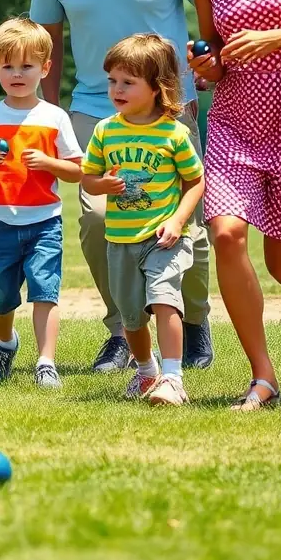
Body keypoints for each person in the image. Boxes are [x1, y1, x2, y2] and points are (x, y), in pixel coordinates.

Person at [30, 0, 213, 373]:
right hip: (92, 107)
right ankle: (123, 329)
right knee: (98, 218)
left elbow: (207, 20)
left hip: (170, 108)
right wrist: (46, 110)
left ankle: (193, 323)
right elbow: (48, 38)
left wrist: (204, 71)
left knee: (186, 223)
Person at [174, 0, 281, 410]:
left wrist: (280, 38)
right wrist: (207, 67)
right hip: (233, 121)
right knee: (225, 234)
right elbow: (215, 52)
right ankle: (263, 376)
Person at [81, 35, 205, 406]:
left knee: (165, 299)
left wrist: (178, 221)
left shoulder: (174, 133)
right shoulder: (105, 130)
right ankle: (147, 371)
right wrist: (101, 183)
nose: (116, 89)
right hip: (120, 241)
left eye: (127, 82)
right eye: (112, 81)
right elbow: (88, 178)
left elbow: (195, 180)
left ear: (156, 88)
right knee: (132, 317)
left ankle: (172, 378)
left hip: (164, 237)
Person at [0, 19, 83, 388]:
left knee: (45, 289)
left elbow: (77, 171)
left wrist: (49, 164)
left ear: (45, 69)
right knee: (1, 299)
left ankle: (46, 362)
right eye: (8, 66)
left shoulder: (54, 117)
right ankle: (5, 341)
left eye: (27, 66)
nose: (17, 74)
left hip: (45, 222)